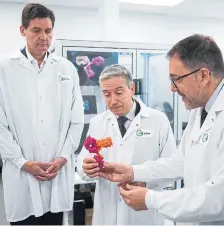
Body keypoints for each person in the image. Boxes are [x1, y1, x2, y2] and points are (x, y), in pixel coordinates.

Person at [99, 34, 224, 225]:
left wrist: (151, 199)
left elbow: (223, 200)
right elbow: (181, 163)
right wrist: (132, 172)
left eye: (176, 79)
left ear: (203, 75)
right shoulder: (200, 107)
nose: (172, 88)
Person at [0, 3, 84, 225]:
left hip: (57, 169)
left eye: (48, 31)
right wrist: (22, 162)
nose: (44, 37)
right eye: (36, 31)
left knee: (54, 219)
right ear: (23, 31)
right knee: (25, 220)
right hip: (22, 172)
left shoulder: (66, 69)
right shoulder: (2, 69)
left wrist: (63, 157)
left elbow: (76, 120)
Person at [76, 64, 181, 225]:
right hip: (107, 213)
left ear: (131, 88)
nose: (113, 101)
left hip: (144, 212)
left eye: (119, 92)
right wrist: (86, 168)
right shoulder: (98, 123)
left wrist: (140, 177)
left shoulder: (157, 120)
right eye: (106, 94)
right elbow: (82, 164)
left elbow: (173, 169)